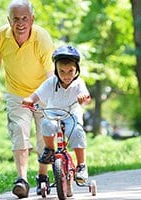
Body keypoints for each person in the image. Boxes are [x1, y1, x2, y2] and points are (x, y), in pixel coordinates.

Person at [0, 0, 55, 198]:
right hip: (16, 92)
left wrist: (50, 97)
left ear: (32, 19)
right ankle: (22, 179)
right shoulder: (0, 36)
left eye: (25, 18)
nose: (20, 23)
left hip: (42, 91)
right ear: (9, 20)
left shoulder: (42, 38)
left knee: (45, 135)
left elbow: (50, 72)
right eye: (16, 19)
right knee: (18, 130)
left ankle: (43, 176)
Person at [22, 45, 91, 184]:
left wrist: (84, 97)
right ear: (56, 71)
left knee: (77, 132)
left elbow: (86, 97)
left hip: (72, 113)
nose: (66, 76)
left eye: (70, 71)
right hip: (53, 112)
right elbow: (36, 95)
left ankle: (81, 165)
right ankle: (50, 150)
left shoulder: (78, 84)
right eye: (62, 71)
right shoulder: (51, 83)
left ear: (77, 70)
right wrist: (29, 100)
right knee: (47, 124)